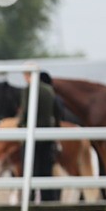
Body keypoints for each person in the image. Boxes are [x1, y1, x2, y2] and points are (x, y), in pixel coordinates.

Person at [16, 70, 61, 202]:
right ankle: (48, 200)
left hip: (31, 135)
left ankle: (29, 200)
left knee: (30, 169)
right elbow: (56, 112)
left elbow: (25, 112)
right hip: (47, 135)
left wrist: (20, 125)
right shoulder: (49, 89)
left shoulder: (28, 90)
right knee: (46, 170)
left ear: (27, 75)